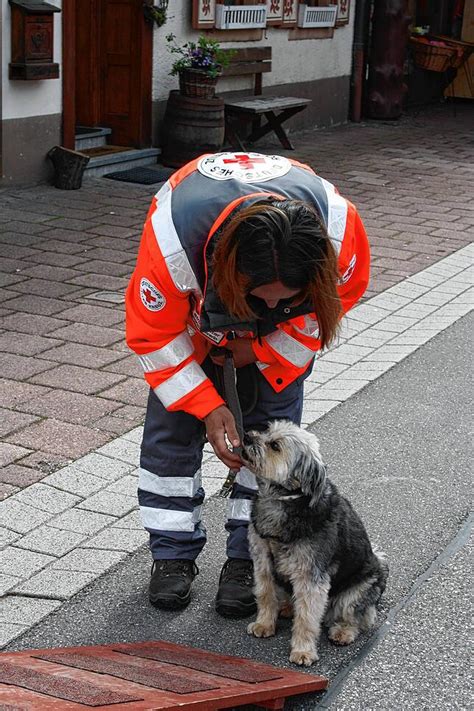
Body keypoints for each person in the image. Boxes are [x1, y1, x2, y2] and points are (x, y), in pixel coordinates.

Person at [125, 151, 370, 618]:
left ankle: (246, 559)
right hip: (192, 332)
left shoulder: (340, 233)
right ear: (230, 271)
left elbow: (333, 304)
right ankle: (171, 556)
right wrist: (206, 405)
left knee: (267, 442)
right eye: (258, 298)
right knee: (169, 441)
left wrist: (261, 349)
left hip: (279, 342)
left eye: (286, 297)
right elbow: (153, 333)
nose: (270, 305)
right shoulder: (173, 239)